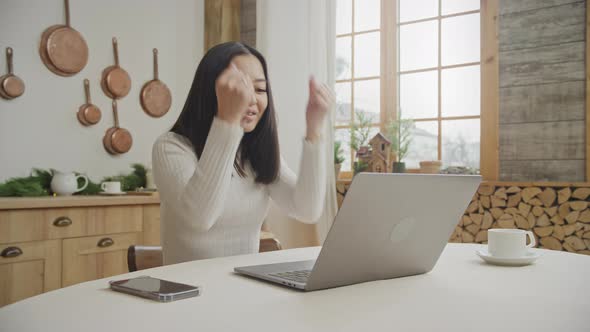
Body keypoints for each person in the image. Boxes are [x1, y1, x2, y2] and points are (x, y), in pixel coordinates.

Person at [152, 42, 334, 265]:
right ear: (209, 91)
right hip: (187, 292)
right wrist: (227, 121)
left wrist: (314, 127)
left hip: (244, 288)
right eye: (240, 88)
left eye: (259, 89)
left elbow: (307, 210)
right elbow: (200, 217)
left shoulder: (255, 155)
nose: (251, 99)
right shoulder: (171, 147)